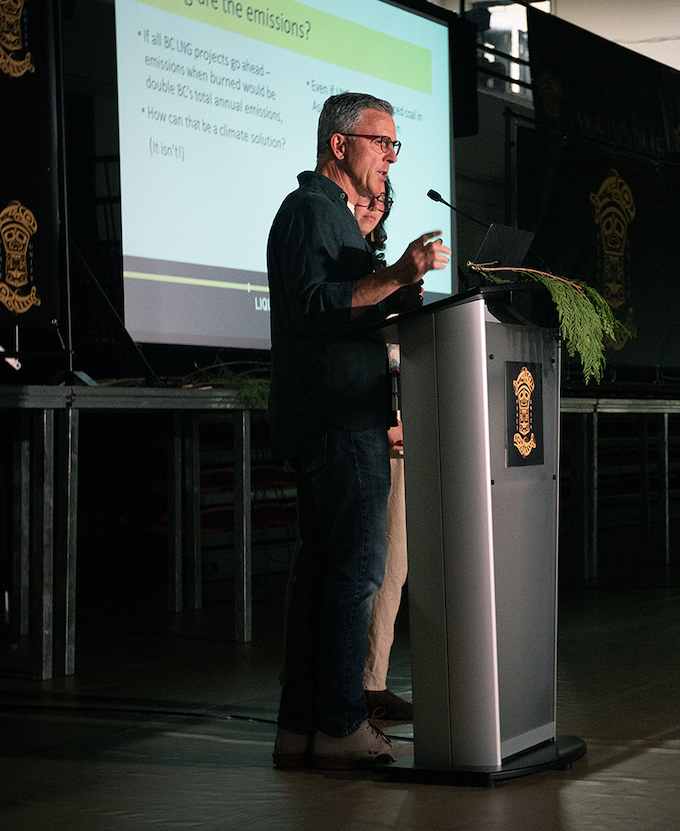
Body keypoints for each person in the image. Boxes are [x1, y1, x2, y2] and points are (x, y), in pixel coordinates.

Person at [268, 92, 448, 770]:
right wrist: (397, 273)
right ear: (340, 144)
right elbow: (318, 307)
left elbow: (349, 315)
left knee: (324, 575)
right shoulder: (313, 212)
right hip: (339, 420)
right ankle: (343, 723)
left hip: (337, 415)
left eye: (396, 145)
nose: (391, 157)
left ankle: (302, 727)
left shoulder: (332, 218)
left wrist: (402, 290)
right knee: (353, 575)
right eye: (382, 142)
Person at [352, 182, 414, 722]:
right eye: (367, 200)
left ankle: (373, 680)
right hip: (358, 432)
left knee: (393, 565)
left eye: (381, 204)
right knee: (357, 568)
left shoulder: (379, 266)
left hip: (395, 431)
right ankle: (341, 689)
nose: (374, 209)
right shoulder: (342, 262)